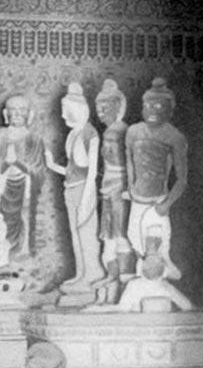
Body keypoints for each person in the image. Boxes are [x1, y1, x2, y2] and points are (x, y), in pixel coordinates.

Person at [124, 78, 187, 281]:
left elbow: (182, 179)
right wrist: (130, 188)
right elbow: (129, 162)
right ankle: (143, 280)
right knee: (136, 243)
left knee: (157, 250)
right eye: (147, 105)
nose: (151, 109)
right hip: (137, 200)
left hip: (157, 203)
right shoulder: (133, 132)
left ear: (170, 110)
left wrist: (166, 204)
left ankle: (163, 269)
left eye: (158, 105)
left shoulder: (174, 137)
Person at [45, 82, 104, 291]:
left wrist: (89, 196)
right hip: (70, 189)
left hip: (84, 190)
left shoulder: (90, 134)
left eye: (65, 111)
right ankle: (81, 273)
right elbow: (71, 170)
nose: (63, 116)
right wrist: (53, 165)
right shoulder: (72, 135)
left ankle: (93, 273)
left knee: (86, 232)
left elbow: (92, 170)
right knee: (75, 233)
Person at [0, 94, 45, 257]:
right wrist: (5, 165)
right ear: (6, 114)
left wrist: (17, 163)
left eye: (22, 110)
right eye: (13, 110)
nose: (18, 114)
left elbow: (39, 169)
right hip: (5, 184)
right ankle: (6, 252)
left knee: (25, 215)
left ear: (29, 114)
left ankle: (25, 249)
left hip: (26, 185)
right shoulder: (0, 136)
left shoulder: (34, 139)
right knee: (4, 219)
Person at [95, 79, 130, 276]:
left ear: (118, 107)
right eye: (98, 107)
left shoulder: (121, 131)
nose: (100, 111)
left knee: (119, 234)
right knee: (107, 237)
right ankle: (112, 279)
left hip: (119, 186)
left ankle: (123, 280)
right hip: (107, 186)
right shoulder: (109, 131)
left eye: (105, 107)